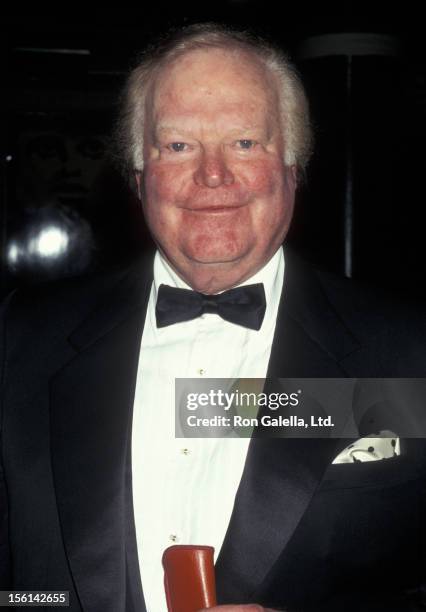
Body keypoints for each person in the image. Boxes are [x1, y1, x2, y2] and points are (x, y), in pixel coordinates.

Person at [1, 23, 426, 612]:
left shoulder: (409, 349)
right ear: (139, 175)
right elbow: (14, 588)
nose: (212, 175)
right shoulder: (21, 337)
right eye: (177, 145)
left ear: (294, 168)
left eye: (245, 143)